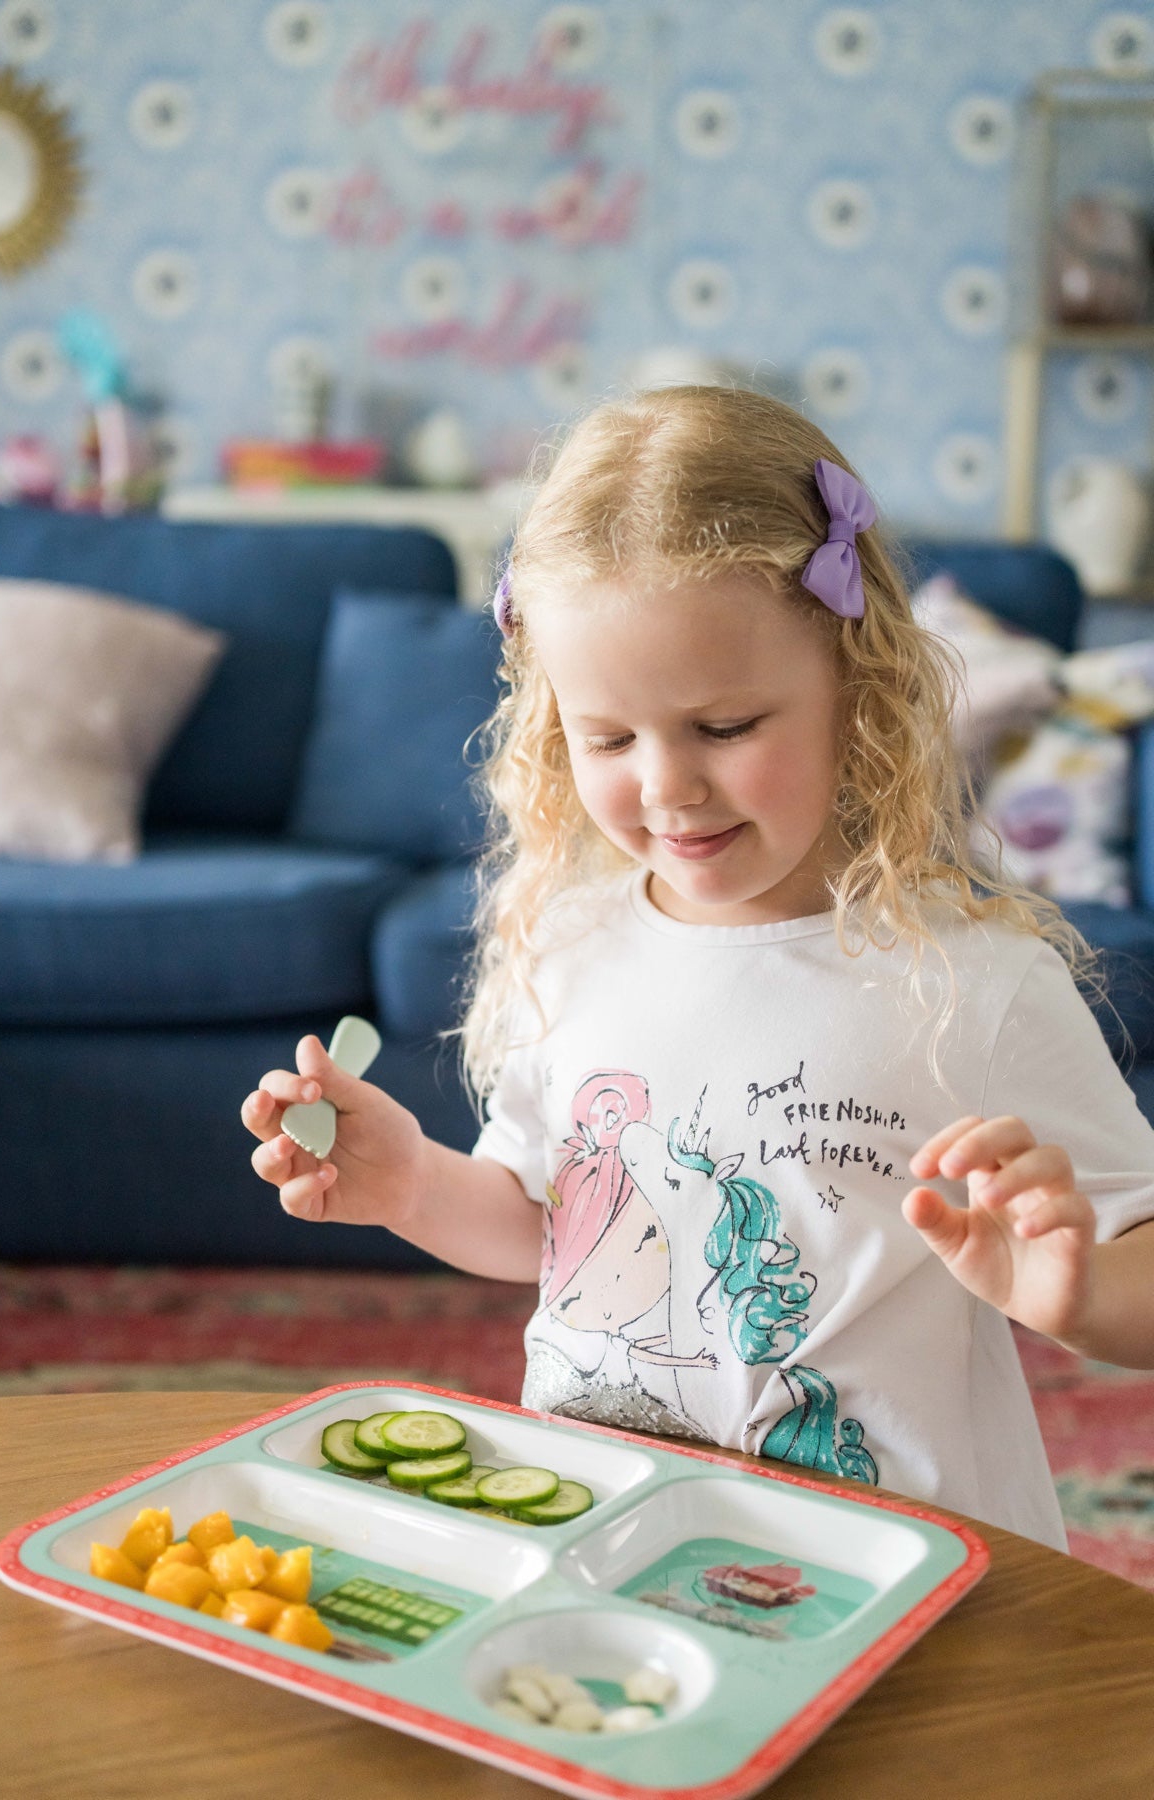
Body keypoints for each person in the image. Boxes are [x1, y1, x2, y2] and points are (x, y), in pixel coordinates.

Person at [241, 385, 1154, 1548]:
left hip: (900, 1578)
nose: (666, 787)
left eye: (724, 728)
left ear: (855, 691)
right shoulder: (567, 946)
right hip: (607, 1539)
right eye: (609, 738)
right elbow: (549, 1227)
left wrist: (1072, 1291)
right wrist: (408, 1183)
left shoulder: (968, 983)